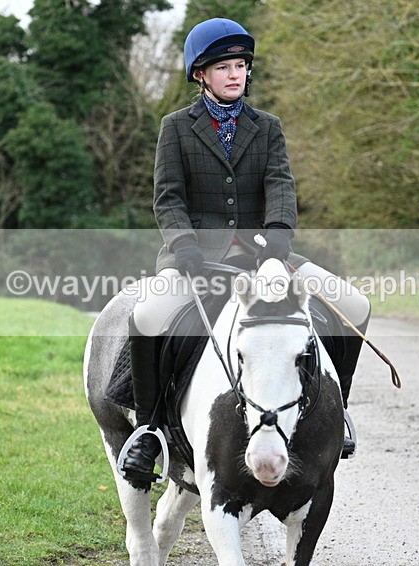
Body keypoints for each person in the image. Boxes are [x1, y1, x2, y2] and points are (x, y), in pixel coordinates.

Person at [119, 17, 370, 485]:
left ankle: (339, 415)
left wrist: (277, 244)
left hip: (265, 255)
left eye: (240, 65)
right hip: (196, 256)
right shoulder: (175, 128)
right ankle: (150, 431)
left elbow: (280, 186)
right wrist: (185, 247)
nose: (235, 74)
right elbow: (168, 198)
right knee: (149, 316)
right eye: (223, 67)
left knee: (356, 304)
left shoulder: (268, 127)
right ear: (200, 74)